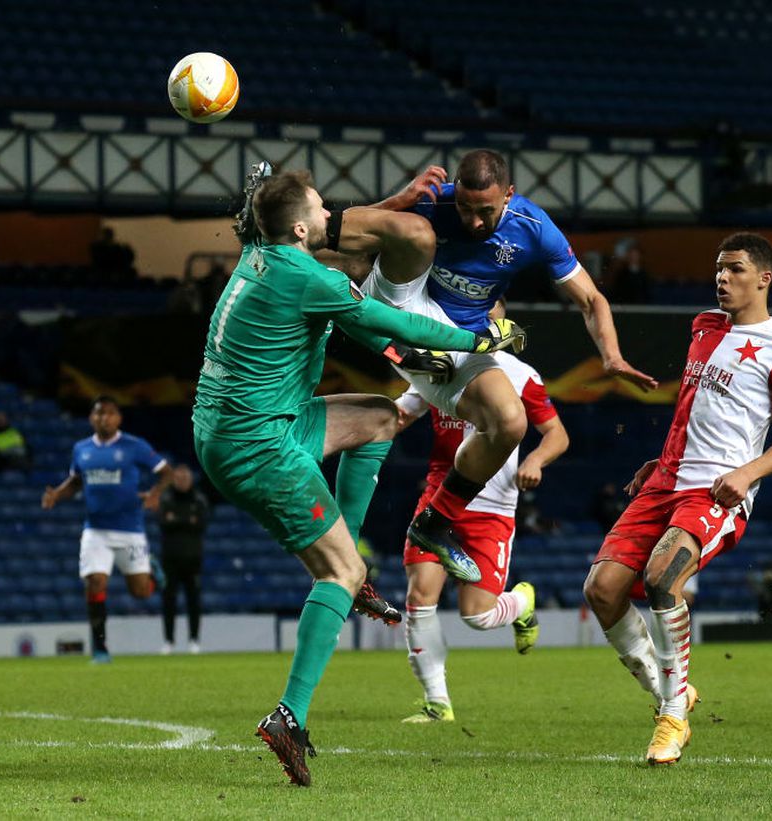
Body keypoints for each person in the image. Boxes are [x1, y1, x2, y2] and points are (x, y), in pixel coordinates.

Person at [192, 167, 525, 787]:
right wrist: (475, 339)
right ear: (299, 228)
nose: (333, 216)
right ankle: (288, 715)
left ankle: (350, 551)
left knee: (380, 417)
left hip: (251, 420)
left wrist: (397, 203)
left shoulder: (262, 249)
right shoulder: (304, 276)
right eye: (323, 210)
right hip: (258, 441)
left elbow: (337, 278)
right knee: (340, 573)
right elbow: (391, 323)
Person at [355, 150, 656, 582]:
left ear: (509, 195)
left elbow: (591, 299)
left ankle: (434, 525)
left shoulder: (534, 228)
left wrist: (611, 355)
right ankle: (379, 336)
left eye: (486, 211)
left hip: (464, 346)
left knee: (511, 423)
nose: (474, 222)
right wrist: (398, 200)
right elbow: (354, 229)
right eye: (464, 207)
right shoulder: (432, 201)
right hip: (410, 307)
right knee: (404, 234)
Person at [582, 232, 772, 766]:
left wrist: (748, 474)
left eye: (734, 269)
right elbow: (694, 406)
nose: (722, 278)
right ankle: (674, 690)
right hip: (667, 478)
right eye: (718, 269)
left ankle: (673, 718)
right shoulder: (705, 327)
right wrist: (660, 458)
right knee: (602, 589)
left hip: (716, 489)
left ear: (763, 278)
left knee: (663, 578)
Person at [398, 350, 569, 723]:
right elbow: (399, 414)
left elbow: (557, 434)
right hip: (440, 496)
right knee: (419, 595)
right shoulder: (438, 364)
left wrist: (536, 460)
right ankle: (437, 702)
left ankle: (522, 604)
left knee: (476, 616)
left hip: (492, 507)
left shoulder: (520, 374)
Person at [41, 396, 172, 664]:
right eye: (99, 414)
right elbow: (76, 482)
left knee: (140, 592)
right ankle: (100, 649)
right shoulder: (82, 449)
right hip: (96, 530)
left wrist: (156, 494)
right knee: (95, 583)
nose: (104, 418)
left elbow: (166, 471)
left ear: (118, 418)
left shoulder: (134, 446)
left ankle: (152, 572)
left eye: (110, 414)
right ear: (92, 418)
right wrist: (58, 493)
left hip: (130, 530)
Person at [157, 464, 210, 655]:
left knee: (193, 601)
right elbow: (163, 523)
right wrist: (188, 519)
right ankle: (168, 641)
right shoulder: (165, 497)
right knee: (168, 600)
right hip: (170, 559)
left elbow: (202, 524)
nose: (182, 482)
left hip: (193, 558)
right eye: (178, 479)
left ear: (190, 479)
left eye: (185, 478)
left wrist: (176, 519)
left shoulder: (199, 498)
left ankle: (194, 640)